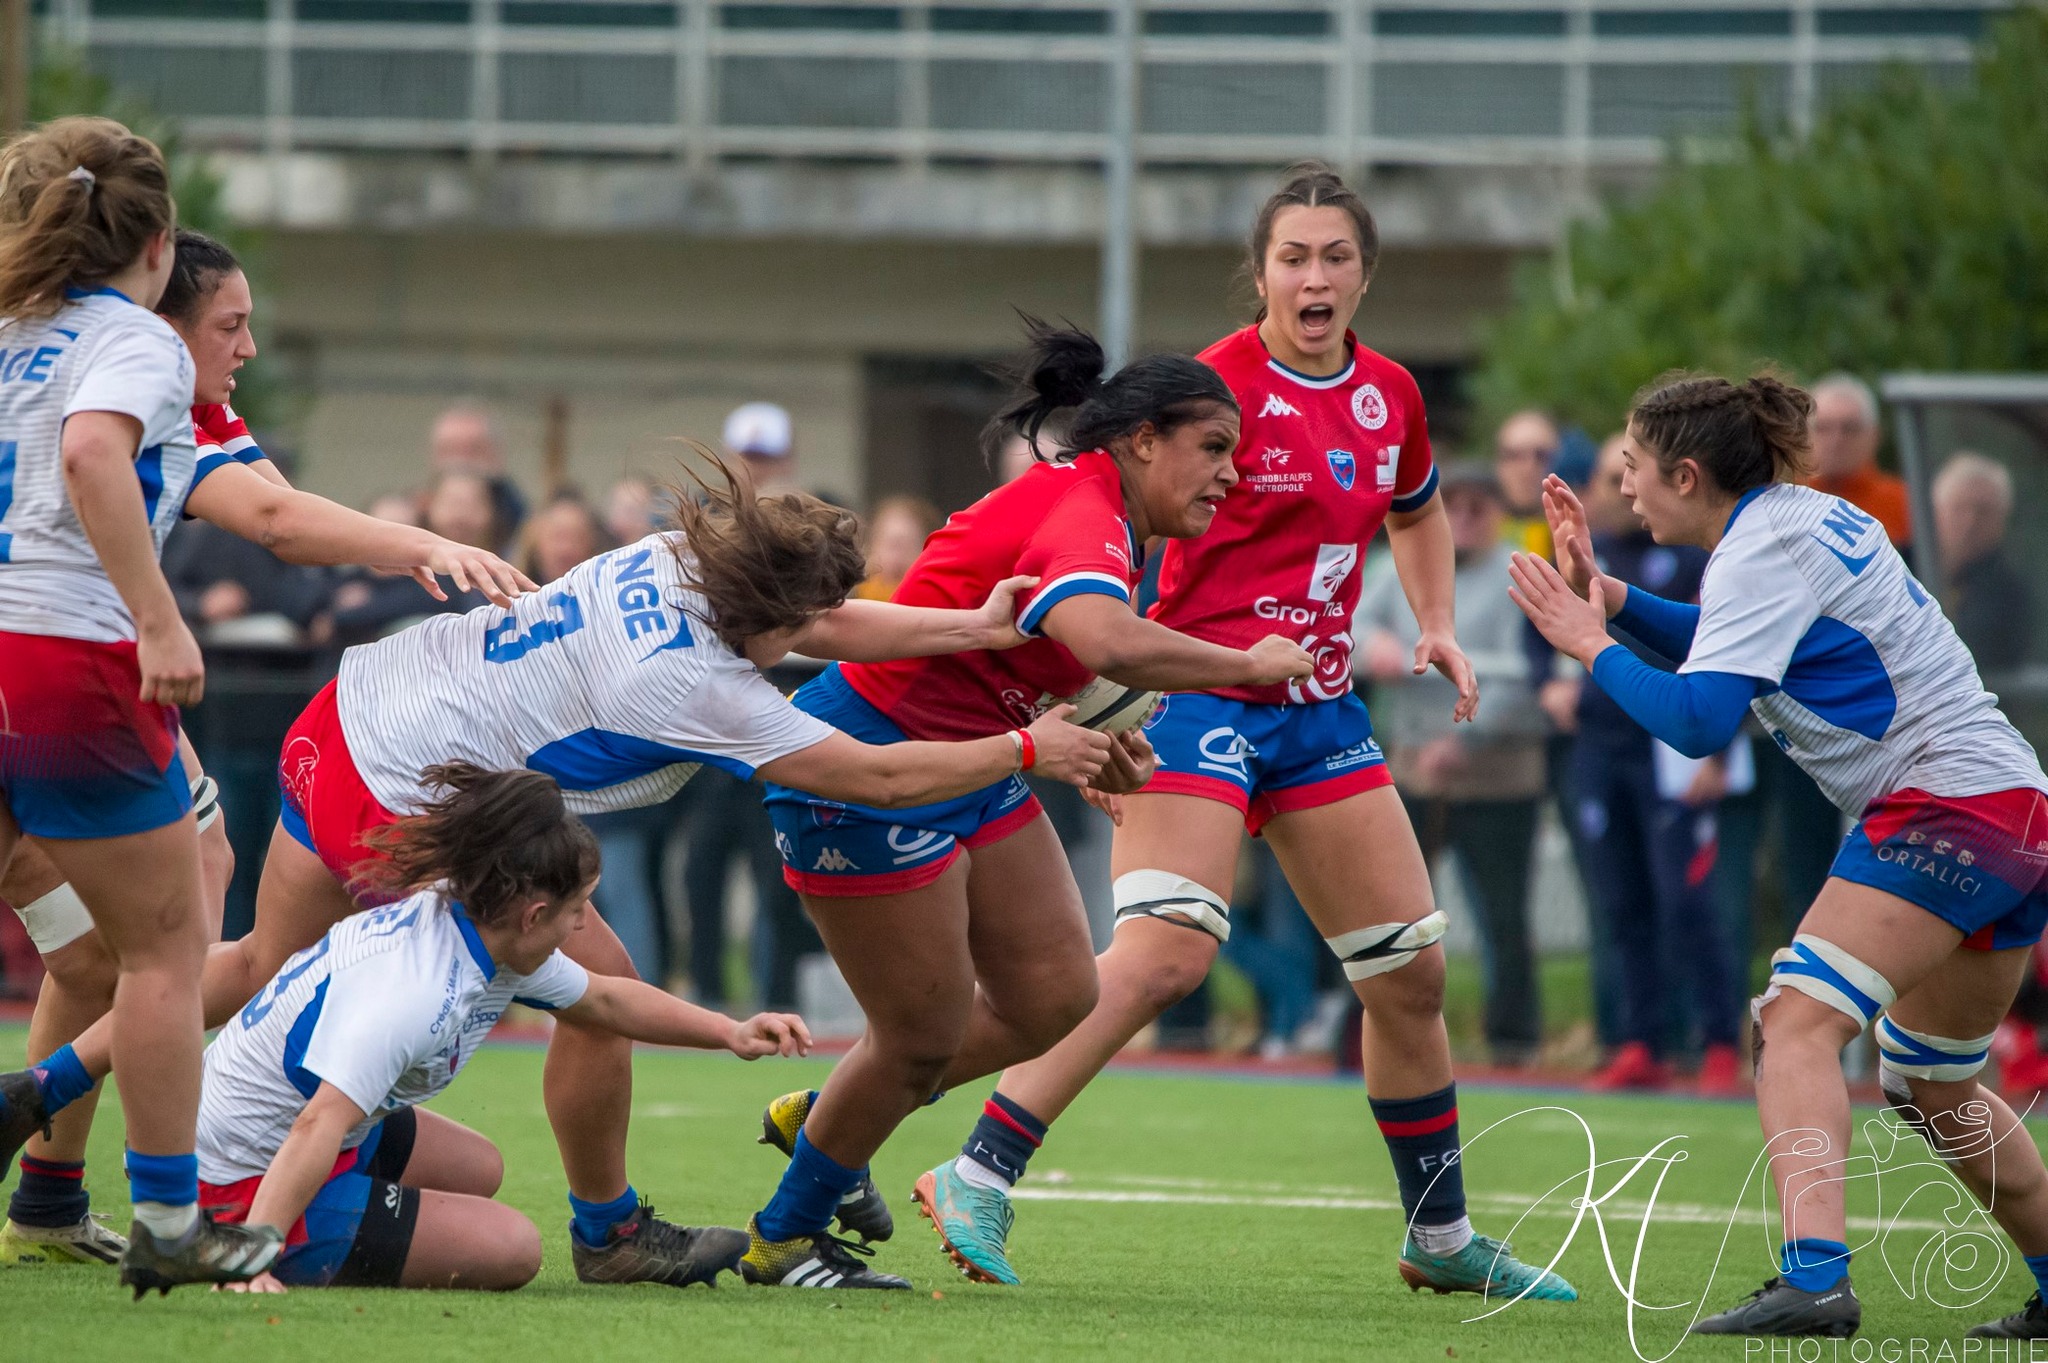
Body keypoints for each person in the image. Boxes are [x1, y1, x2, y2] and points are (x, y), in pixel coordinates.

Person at [136, 458, 1111, 1292]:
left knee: (263, 963)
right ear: (764, 610)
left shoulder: (681, 557)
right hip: (405, 795)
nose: (815, 626)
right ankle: (608, 1233)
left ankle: (65, 1091)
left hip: (354, 711)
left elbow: (809, 625)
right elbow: (877, 776)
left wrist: (966, 631)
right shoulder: (698, 685)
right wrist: (1025, 749)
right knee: (598, 993)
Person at [917, 163, 1575, 1301]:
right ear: (1260, 272)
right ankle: (974, 1169)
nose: (1314, 277)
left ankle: (1438, 1234)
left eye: (1335, 257)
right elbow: (1098, 531)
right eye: (1293, 256)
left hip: (1316, 706)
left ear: (1364, 273)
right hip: (1192, 695)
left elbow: (1415, 506)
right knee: (1166, 955)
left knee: (1409, 973)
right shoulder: (1206, 387)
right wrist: (1091, 702)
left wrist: (1433, 624)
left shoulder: (1391, 394)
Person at [0, 116, 527, 1294]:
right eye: (230, 325)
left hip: (24, 662)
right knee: (164, 946)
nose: (245, 346)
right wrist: (159, 617)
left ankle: (47, 1182)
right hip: (64, 664)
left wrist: (412, 543)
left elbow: (278, 507)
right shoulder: (133, 350)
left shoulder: (30, 335)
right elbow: (236, 507)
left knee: (118, 938)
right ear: (158, 263)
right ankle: (167, 1213)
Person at [746, 320, 1314, 1291]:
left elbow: (1052, 655)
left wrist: (1093, 738)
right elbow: (1109, 640)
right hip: (868, 764)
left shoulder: (1108, 515)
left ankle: (832, 1116)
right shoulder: (1085, 509)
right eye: (1214, 446)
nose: (1232, 473)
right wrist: (1248, 663)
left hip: (974, 761)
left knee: (1056, 995)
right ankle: (785, 1235)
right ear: (1143, 441)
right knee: (916, 1040)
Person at [1509, 371, 2048, 1340]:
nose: (1620, 487)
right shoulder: (1794, 519)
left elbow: (1696, 720)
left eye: (1631, 467)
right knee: (1932, 1081)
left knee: (1794, 1023)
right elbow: (1733, 642)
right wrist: (1611, 597)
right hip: (2012, 809)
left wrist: (1588, 645)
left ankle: (1814, 1281)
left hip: (1946, 805)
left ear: (1685, 474)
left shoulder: (1757, 547)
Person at [3, 764, 810, 1292]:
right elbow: (317, 1124)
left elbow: (604, 1000)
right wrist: (252, 1252)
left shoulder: (487, 929)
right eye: (577, 909)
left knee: (483, 1166)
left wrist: (730, 1031)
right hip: (240, 1175)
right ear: (534, 911)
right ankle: (246, 1237)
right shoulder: (415, 991)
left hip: (285, 1122)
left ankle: (323, 1213)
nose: (582, 927)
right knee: (514, 1248)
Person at [1556, 433, 1741, 1094]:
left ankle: (1720, 1041)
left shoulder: (1692, 557)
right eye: (1611, 477)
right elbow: (1541, 634)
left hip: (1670, 752)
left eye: (1628, 475)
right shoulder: (1584, 556)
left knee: (1685, 899)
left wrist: (1718, 754)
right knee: (1621, 900)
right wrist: (1548, 685)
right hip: (1600, 751)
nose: (1620, 490)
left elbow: (1725, 656)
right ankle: (1642, 1040)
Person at [1357, 463, 1548, 1066]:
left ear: (1498, 513)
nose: (1462, 518)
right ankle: (1380, 1031)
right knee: (1392, 911)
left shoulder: (1522, 573)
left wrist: (1466, 742)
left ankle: (1513, 1041)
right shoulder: (1397, 566)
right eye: (1452, 506)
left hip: (1497, 775)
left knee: (1503, 915)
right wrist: (1374, 644)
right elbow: (1347, 623)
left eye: (1477, 506)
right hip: (1413, 767)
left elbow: (1528, 674)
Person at [1933, 451, 2031, 671]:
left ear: (2002, 519)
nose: (1970, 522)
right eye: (1959, 508)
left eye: (1983, 511)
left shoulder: (2008, 593)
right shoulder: (1902, 567)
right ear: (1935, 511)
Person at [1807, 373, 1909, 550]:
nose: (1836, 440)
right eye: (1823, 428)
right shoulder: (1785, 498)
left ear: (1874, 435)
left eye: (1849, 429)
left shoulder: (1904, 504)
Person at [430, 402, 526, 550]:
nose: (461, 461)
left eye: (473, 449)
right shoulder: (411, 518)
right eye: (450, 449)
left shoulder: (523, 525)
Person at [1494, 409, 1560, 558]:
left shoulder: (1581, 537)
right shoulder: (1469, 532)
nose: (1528, 468)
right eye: (1514, 455)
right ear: (1497, 463)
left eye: (1541, 456)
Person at [853, 495, 941, 602]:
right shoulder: (847, 601)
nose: (897, 557)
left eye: (908, 546)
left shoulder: (937, 604)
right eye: (892, 545)